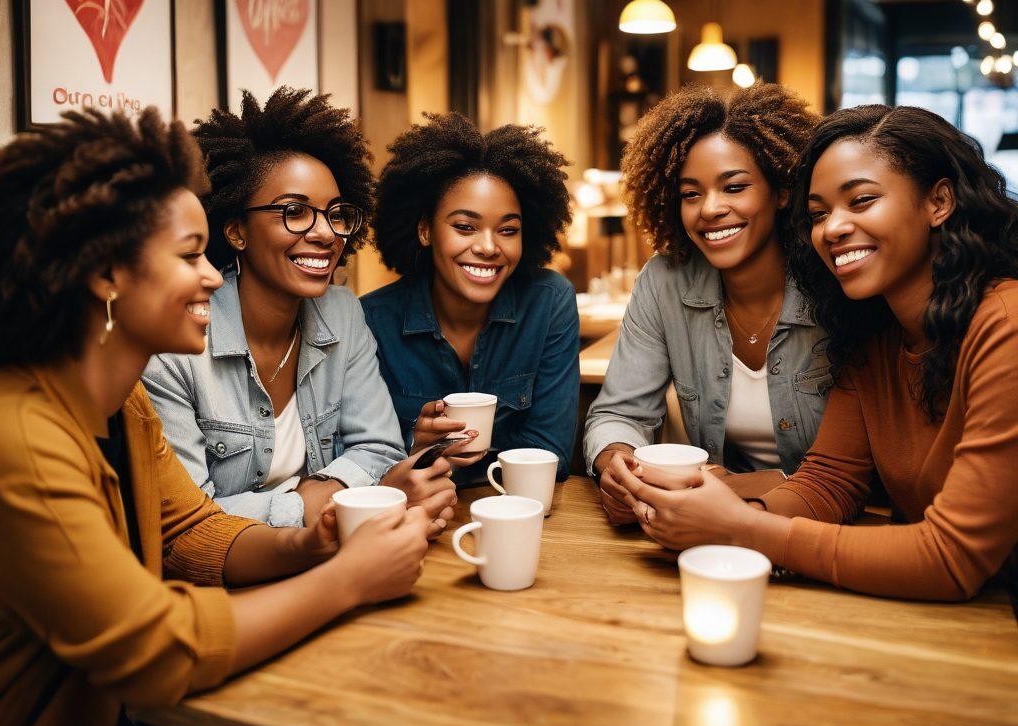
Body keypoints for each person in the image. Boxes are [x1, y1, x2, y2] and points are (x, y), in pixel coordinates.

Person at [0, 108, 430, 726]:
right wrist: (346, 579)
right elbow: (155, 652)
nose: (211, 279)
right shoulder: (19, 438)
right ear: (107, 273)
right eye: (190, 254)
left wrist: (309, 543)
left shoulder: (123, 407)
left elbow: (193, 533)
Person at [616, 105, 1018, 601]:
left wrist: (744, 528)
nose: (833, 229)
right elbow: (829, 482)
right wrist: (729, 518)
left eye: (862, 201)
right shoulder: (874, 332)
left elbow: (950, 557)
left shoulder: (1006, 325)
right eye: (819, 214)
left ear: (939, 202)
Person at [143, 89, 458, 531]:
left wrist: (318, 500)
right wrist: (311, 504)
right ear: (236, 231)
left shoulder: (342, 313)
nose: (326, 233)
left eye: (335, 214)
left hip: (333, 553)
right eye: (294, 212)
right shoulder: (176, 344)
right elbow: (191, 519)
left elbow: (380, 448)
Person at [585, 83, 823, 526]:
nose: (709, 209)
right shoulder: (665, 281)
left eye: (734, 187)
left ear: (784, 190)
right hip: (709, 523)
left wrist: (760, 485)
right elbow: (620, 412)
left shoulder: (831, 282)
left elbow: (860, 470)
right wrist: (617, 463)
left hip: (827, 525)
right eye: (691, 194)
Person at [361, 113, 579, 483]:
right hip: (418, 519)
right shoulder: (371, 320)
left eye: (507, 230)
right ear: (426, 230)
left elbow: (552, 454)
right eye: (465, 227)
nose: (489, 247)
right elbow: (359, 457)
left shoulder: (549, 302)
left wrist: (422, 460)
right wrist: (416, 444)